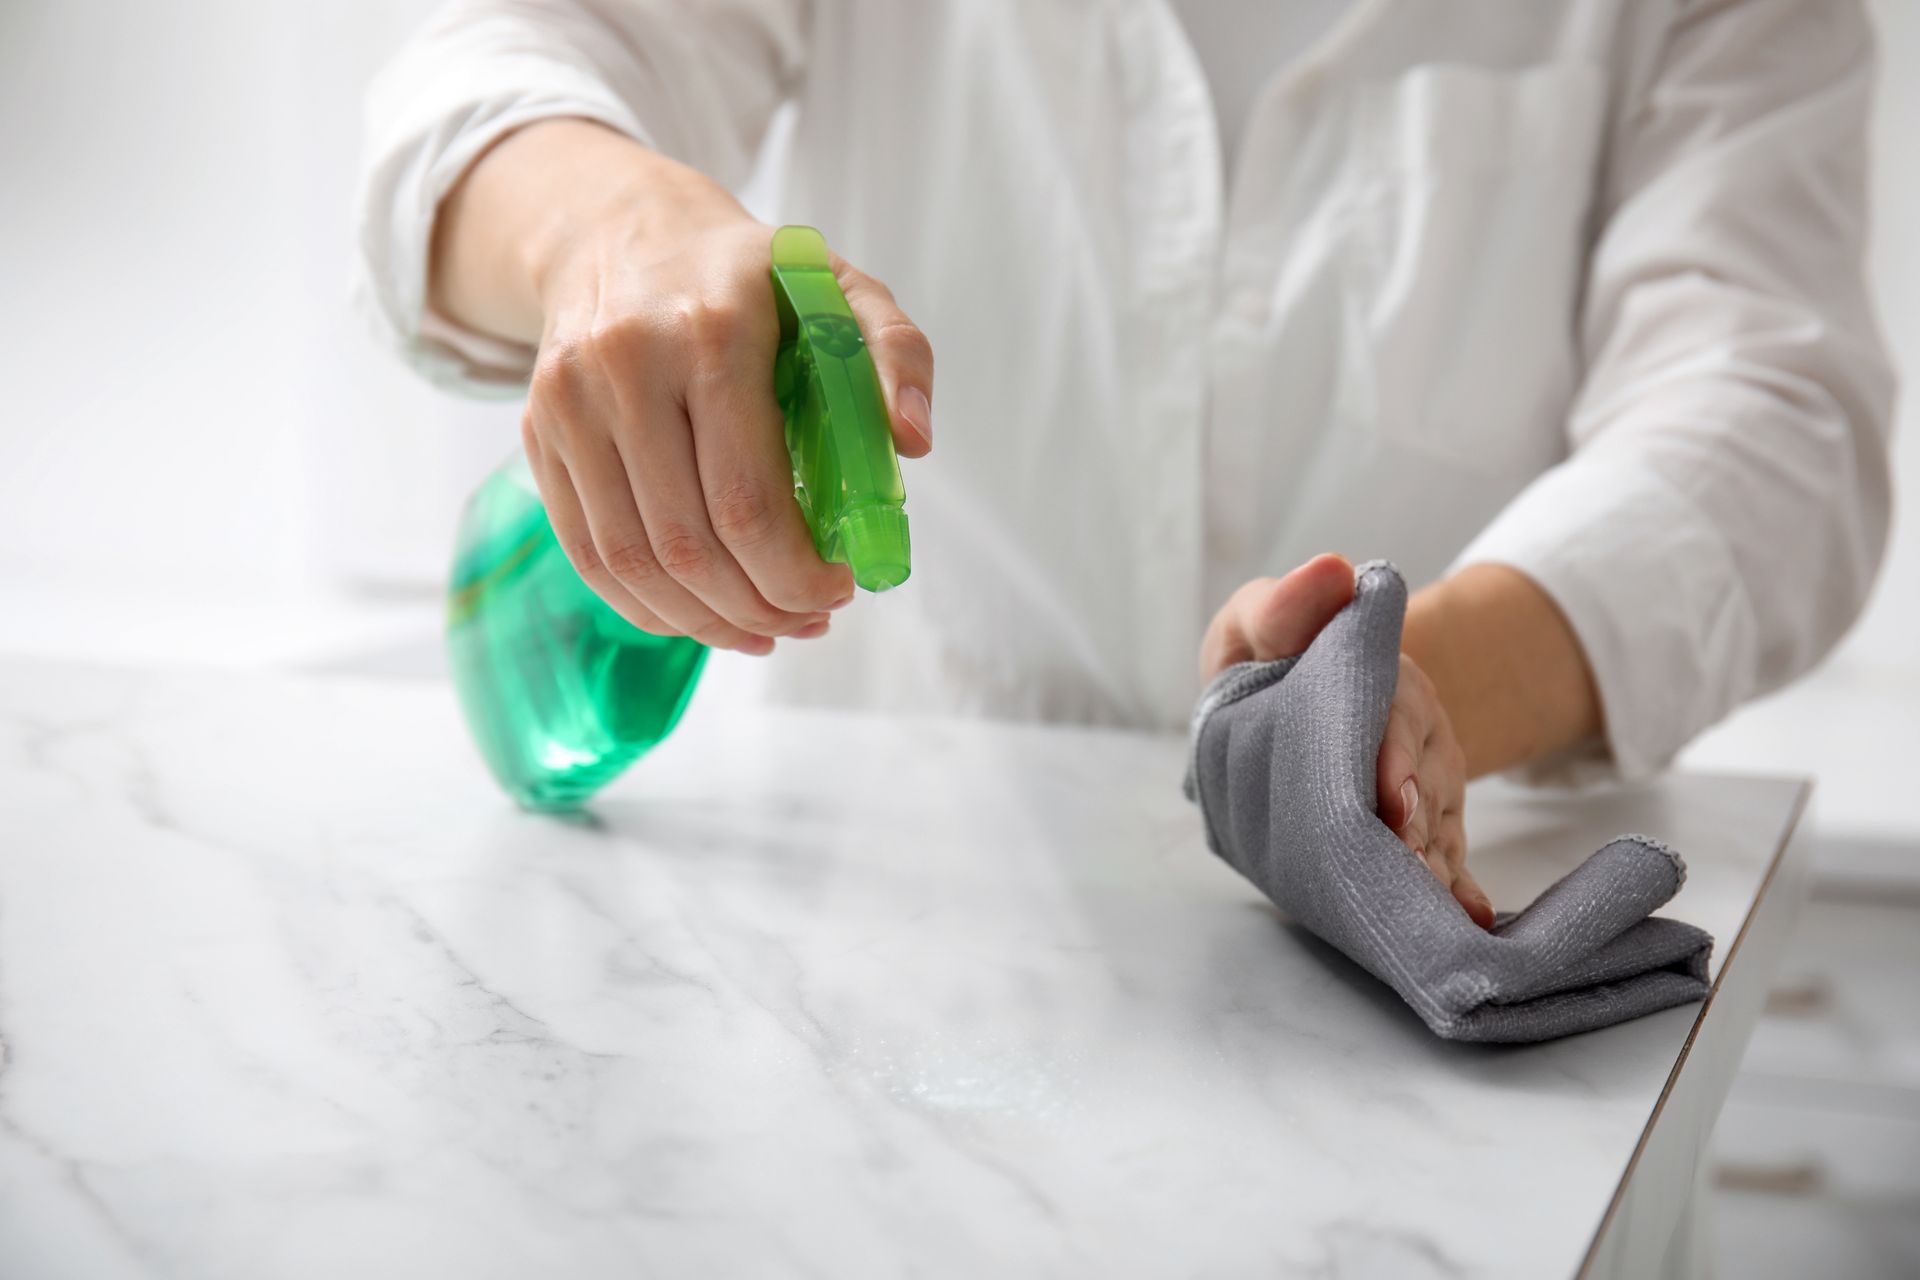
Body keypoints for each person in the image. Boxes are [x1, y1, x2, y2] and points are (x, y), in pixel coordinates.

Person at [357, 0, 1893, 927]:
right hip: (914, 961)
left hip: (1456, 979)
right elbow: (489, 71)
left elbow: (1772, 417)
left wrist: (1403, 691)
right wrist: (606, 231)